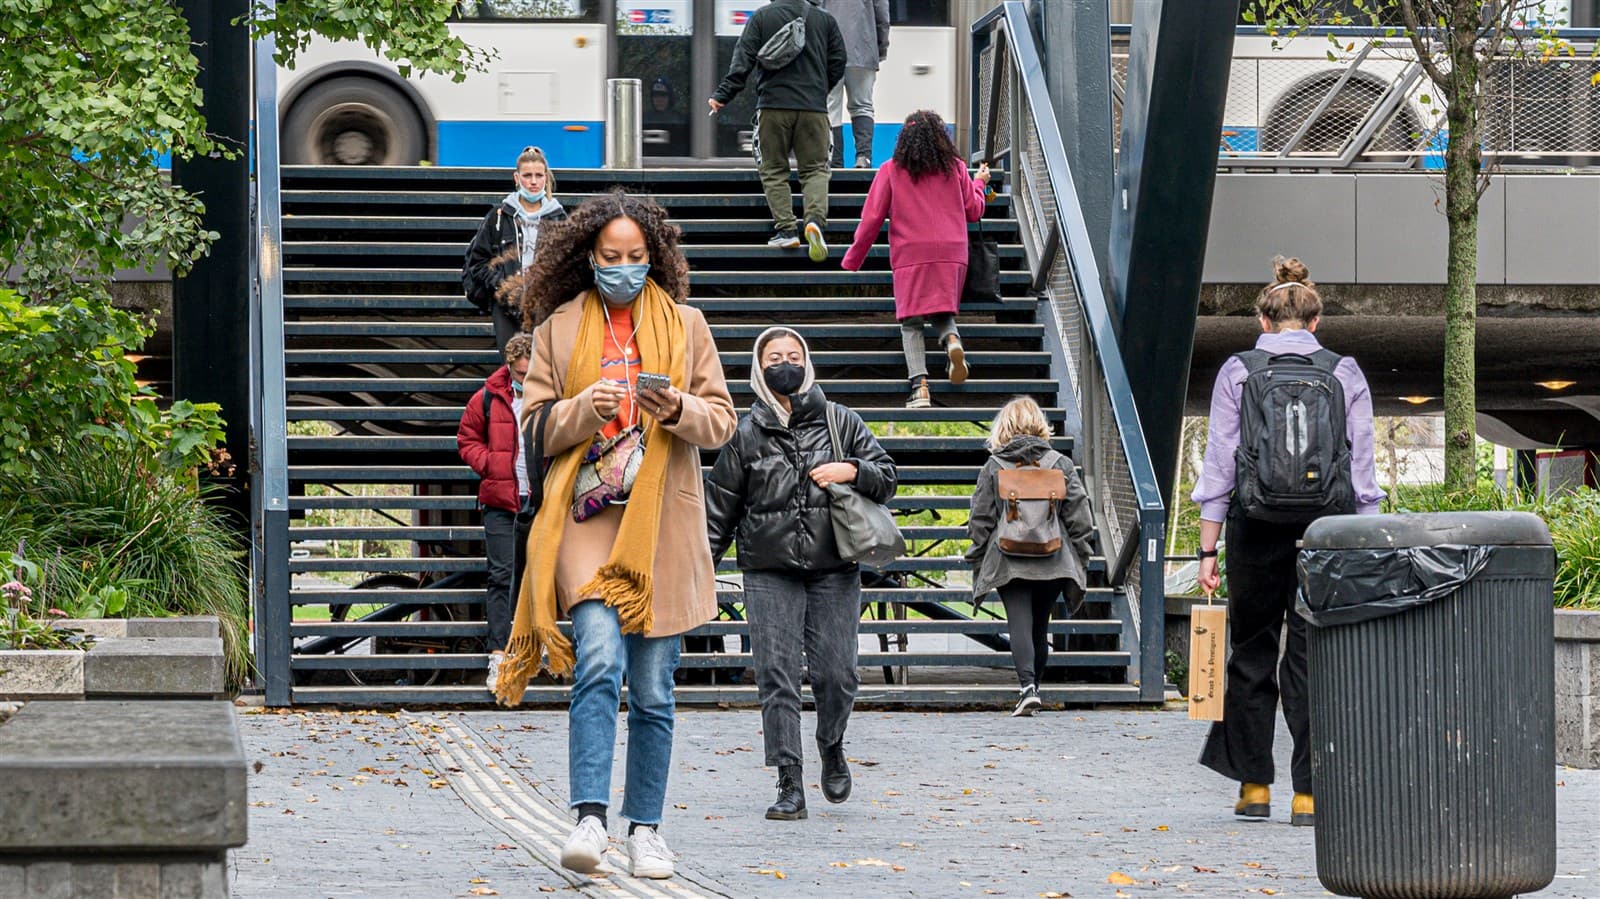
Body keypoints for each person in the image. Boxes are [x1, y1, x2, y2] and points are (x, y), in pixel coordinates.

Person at [495, 190, 737, 880]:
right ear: (588, 257)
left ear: (653, 257)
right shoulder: (559, 328)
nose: (624, 268)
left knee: (656, 689)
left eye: (636, 257)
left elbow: (722, 421)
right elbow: (534, 426)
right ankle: (590, 817)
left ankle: (646, 827)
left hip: (661, 525)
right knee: (598, 658)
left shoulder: (688, 326)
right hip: (585, 520)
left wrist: (679, 406)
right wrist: (581, 407)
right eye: (611, 257)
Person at [1191, 256, 1384, 828]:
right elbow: (1363, 466)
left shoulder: (1238, 370)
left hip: (1253, 529)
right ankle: (1310, 794)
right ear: (1317, 321)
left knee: (1251, 652)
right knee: (1311, 656)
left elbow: (1220, 463)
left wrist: (1207, 550)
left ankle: (1254, 787)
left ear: (1263, 320)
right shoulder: (1344, 371)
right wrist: (1366, 535)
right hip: (1325, 535)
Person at [704, 327, 897, 821]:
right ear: (759, 367)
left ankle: (831, 744)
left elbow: (888, 477)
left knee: (837, 673)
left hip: (834, 568)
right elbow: (719, 509)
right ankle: (789, 780)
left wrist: (850, 469)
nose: (784, 365)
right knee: (776, 676)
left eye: (793, 356)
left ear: (807, 363)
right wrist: (701, 566)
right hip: (769, 571)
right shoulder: (745, 433)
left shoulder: (841, 421)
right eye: (774, 357)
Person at [841, 110, 989, 409]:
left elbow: (871, 220)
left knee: (911, 321)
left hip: (911, 254)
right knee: (940, 306)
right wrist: (980, 183)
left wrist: (853, 259)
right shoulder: (956, 168)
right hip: (952, 252)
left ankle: (920, 388)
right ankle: (951, 340)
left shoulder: (891, 170)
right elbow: (973, 211)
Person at [964, 396, 1094, 717]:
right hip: (1052, 558)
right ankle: (1034, 687)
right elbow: (1080, 517)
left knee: (1019, 623)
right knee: (1040, 627)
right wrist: (1081, 554)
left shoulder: (993, 466)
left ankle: (1027, 689)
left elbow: (980, 519)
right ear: (1040, 423)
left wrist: (977, 555)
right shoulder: (1060, 464)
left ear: (1003, 426)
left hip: (1009, 558)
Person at [709, 0, 846, 261]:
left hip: (773, 107)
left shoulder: (762, 17)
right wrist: (818, 90)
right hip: (813, 109)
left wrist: (723, 95)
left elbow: (743, 60)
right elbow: (839, 60)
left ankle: (786, 230)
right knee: (815, 168)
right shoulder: (824, 19)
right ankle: (814, 221)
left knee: (773, 169)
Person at [456, 333, 535, 692]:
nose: (523, 379)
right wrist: (490, 465)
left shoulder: (550, 393)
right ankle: (498, 655)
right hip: (500, 500)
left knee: (539, 576)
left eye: (529, 373)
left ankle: (535, 648)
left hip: (539, 499)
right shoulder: (487, 396)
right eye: (519, 373)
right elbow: (466, 438)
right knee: (501, 577)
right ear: (509, 365)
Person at [463, 146, 568, 350]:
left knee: (543, 366)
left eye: (539, 175)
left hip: (545, 307)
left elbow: (567, 265)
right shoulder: (499, 216)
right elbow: (477, 262)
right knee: (512, 366)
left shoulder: (558, 217)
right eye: (527, 175)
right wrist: (504, 287)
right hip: (505, 307)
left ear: (546, 177)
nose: (534, 181)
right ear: (517, 178)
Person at [820, 0, 890, 168]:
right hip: (864, 48)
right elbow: (882, 15)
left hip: (829, 50)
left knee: (831, 108)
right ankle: (863, 157)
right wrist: (880, 47)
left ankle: (834, 160)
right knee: (863, 106)